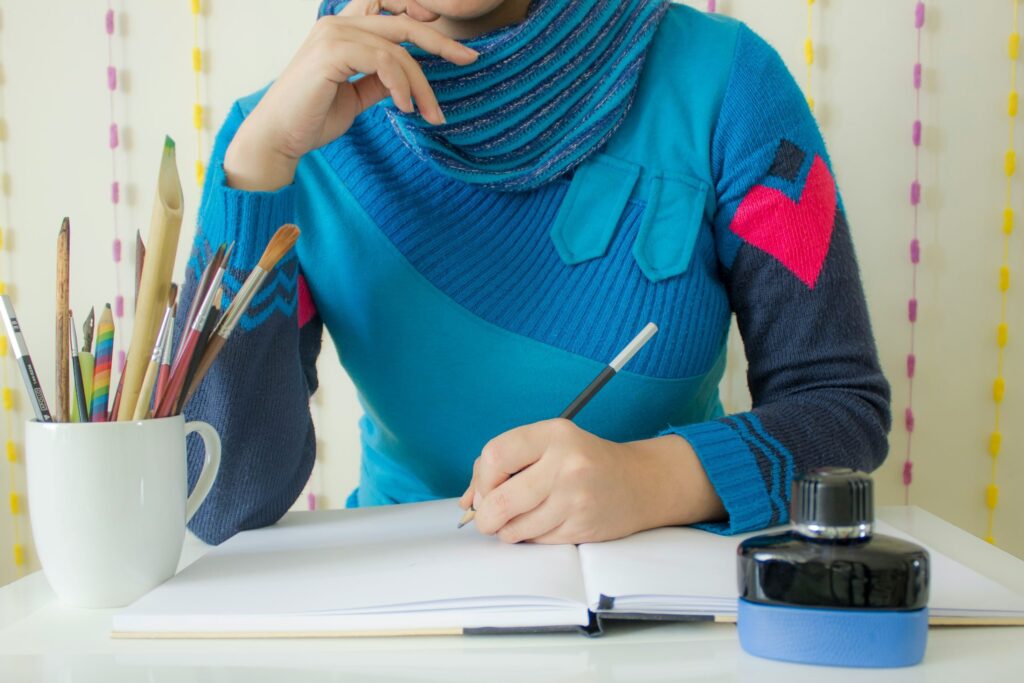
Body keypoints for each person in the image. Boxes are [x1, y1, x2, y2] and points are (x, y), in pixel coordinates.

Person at [179, 0, 890, 546]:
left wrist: (655, 481)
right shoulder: (276, 135)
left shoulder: (733, 85)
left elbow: (842, 407)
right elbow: (218, 503)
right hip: (398, 613)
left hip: (665, 612)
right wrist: (258, 172)